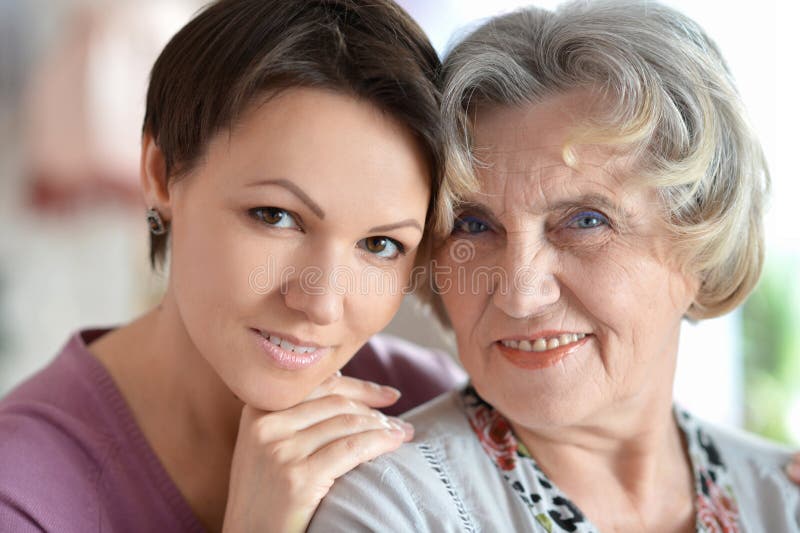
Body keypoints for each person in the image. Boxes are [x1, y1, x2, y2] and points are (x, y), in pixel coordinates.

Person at [309, 1, 800, 531]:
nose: (520, 294)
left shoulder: (783, 499)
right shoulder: (390, 509)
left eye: (586, 221)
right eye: (472, 225)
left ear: (700, 239)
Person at [0, 1, 467, 532]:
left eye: (381, 245)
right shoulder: (20, 499)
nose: (320, 302)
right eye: (276, 216)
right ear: (161, 171)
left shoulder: (431, 408)